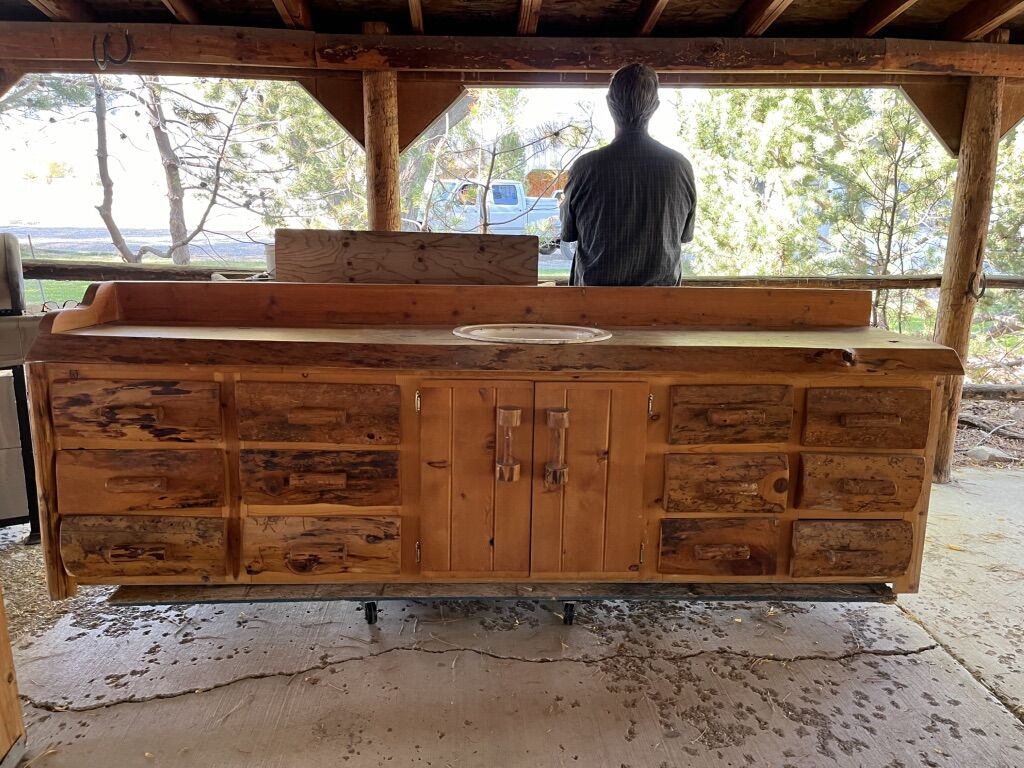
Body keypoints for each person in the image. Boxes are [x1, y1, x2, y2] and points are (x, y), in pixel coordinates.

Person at [560, 63, 696, 286]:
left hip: (592, 309)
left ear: (609, 104)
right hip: (662, 309)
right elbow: (685, 236)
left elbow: (568, 233)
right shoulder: (680, 167)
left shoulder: (586, 168)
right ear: (655, 107)